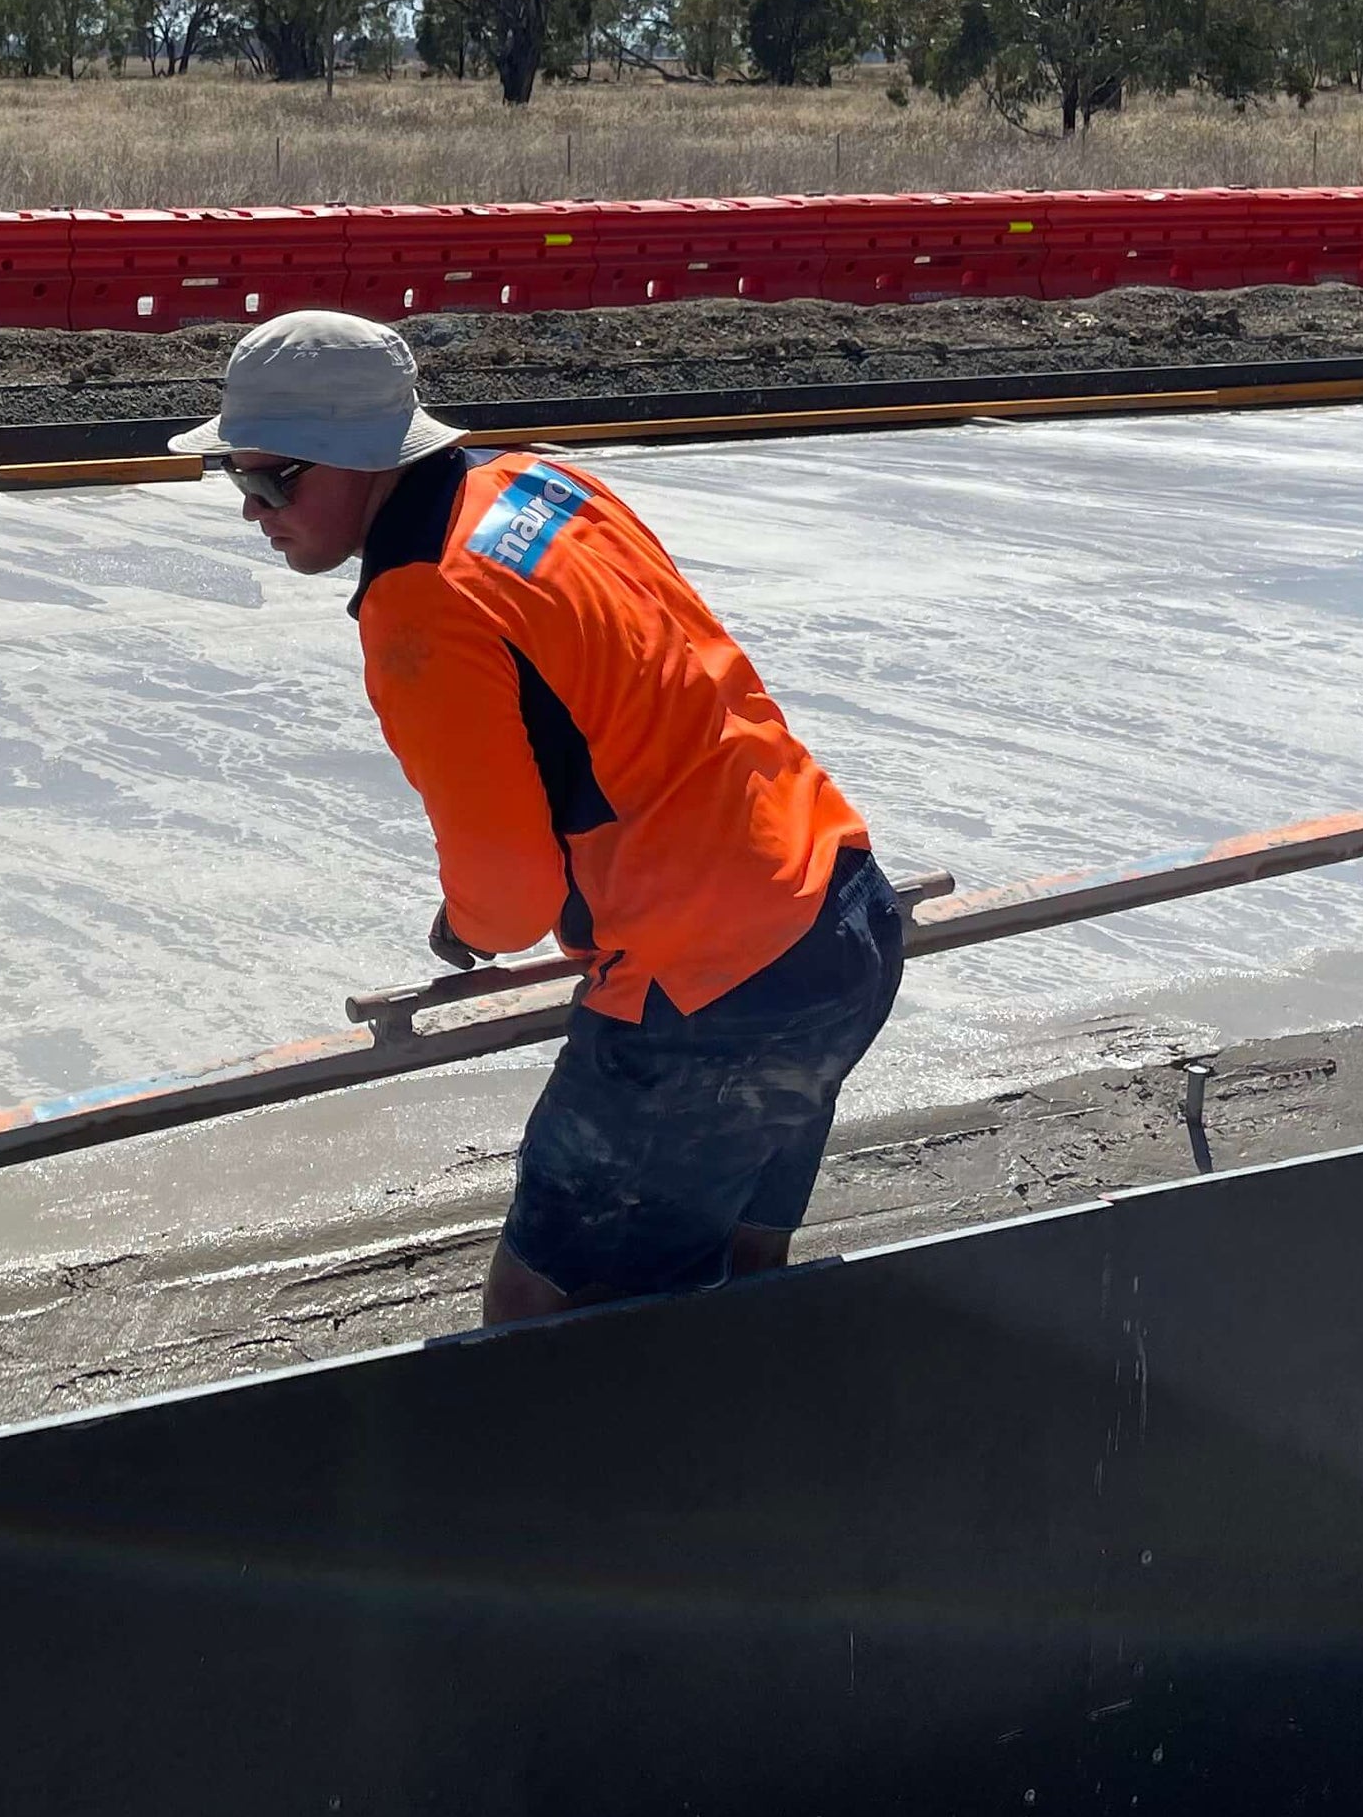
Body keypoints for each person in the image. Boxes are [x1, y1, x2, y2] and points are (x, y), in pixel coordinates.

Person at [172, 309, 904, 1326]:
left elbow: (511, 896)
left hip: (706, 991)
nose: (253, 511)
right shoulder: (542, 484)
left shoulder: (423, 602)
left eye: (269, 481)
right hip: (838, 911)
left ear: (353, 458)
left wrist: (467, 925)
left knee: (544, 1318)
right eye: (236, 479)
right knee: (740, 1271)